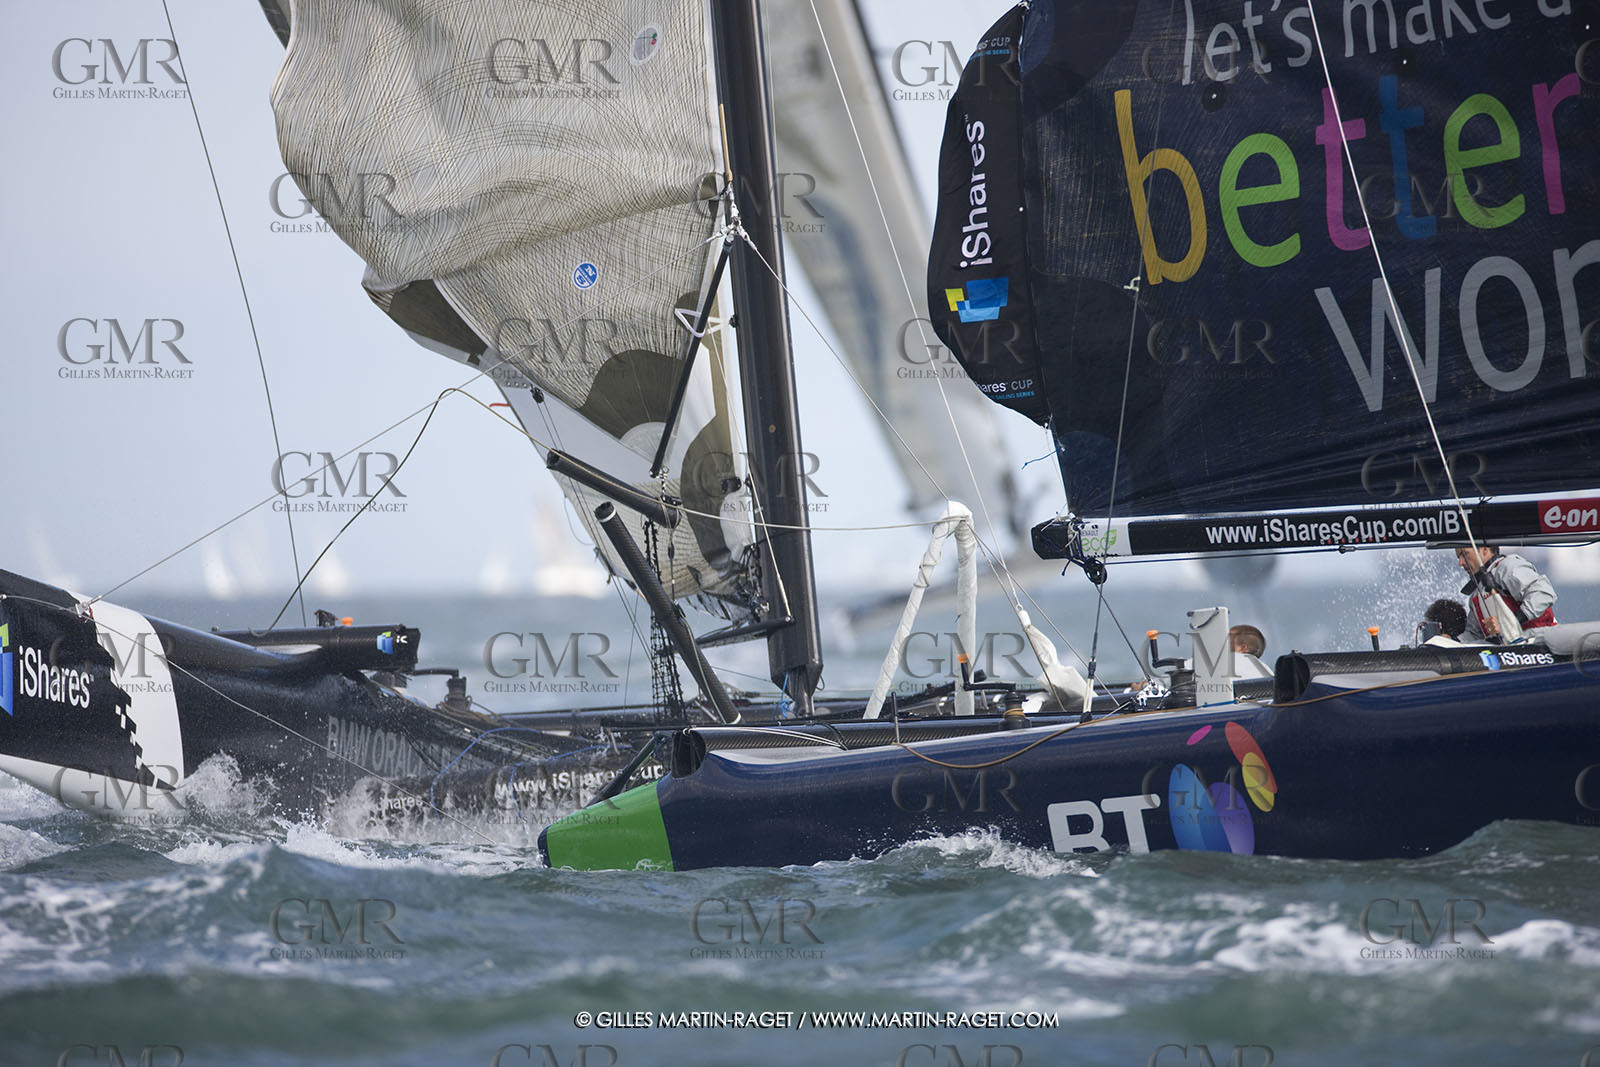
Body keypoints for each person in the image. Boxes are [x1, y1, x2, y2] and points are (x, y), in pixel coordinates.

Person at [1454, 545, 1557, 642]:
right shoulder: (1476, 595)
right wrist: (1448, 641)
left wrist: (1508, 622)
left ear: (1485, 549)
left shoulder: (1506, 567)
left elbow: (1544, 594)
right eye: (1458, 557)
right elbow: (1473, 635)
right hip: (1511, 652)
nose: (1460, 563)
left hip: (1539, 642)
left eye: (1465, 554)